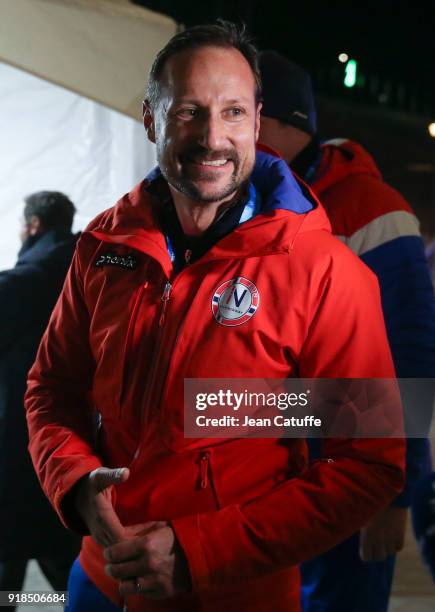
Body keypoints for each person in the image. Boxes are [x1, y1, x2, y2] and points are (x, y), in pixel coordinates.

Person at [25, 22, 405, 612]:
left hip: (232, 593)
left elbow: (368, 460)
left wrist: (199, 551)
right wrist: (72, 482)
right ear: (152, 120)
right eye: (188, 112)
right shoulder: (104, 245)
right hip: (100, 578)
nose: (212, 137)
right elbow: (51, 386)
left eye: (232, 113)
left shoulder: (323, 269)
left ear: (257, 121)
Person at [258, 50, 435, 612]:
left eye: (243, 112)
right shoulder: (239, 205)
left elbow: (410, 355)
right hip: (257, 487)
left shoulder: (373, 210)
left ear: (288, 122)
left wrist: (396, 494)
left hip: (344, 484)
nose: (223, 130)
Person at [0, 191, 80, 605]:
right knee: (69, 568)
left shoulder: (23, 282)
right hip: (71, 448)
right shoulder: (88, 271)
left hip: (18, 445)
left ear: (33, 226)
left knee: (10, 564)